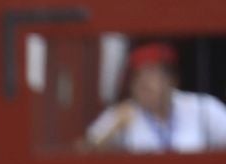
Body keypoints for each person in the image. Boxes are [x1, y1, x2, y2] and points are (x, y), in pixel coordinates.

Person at [85, 43, 226, 154]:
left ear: (171, 80)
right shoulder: (122, 113)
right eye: (137, 76)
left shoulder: (202, 107)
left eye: (151, 73)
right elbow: (84, 152)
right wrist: (112, 129)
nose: (143, 82)